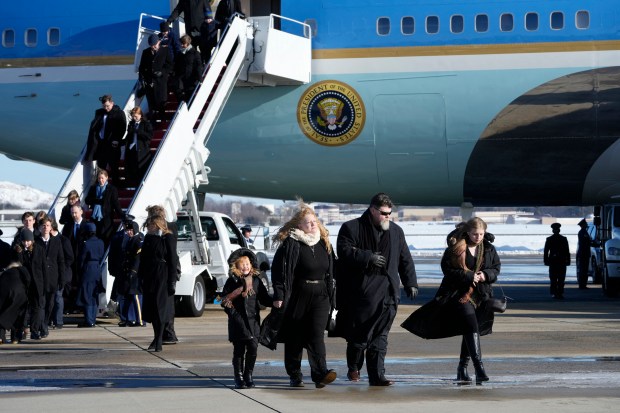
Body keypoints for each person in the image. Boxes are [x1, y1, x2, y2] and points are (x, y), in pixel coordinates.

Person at [336, 193, 418, 386]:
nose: (387, 217)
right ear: (372, 210)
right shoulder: (352, 227)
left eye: (390, 213)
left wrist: (410, 283)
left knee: (380, 337)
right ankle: (354, 366)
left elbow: (405, 258)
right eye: (383, 213)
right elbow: (344, 251)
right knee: (360, 337)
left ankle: (377, 375)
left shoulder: (396, 231)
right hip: (363, 294)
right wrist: (367, 257)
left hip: (389, 292)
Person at [270, 202, 337, 389]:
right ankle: (295, 373)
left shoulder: (324, 242)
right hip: (298, 294)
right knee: (295, 336)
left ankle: (320, 373)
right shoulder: (291, 244)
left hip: (321, 295)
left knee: (316, 334)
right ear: (299, 225)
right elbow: (278, 272)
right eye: (308, 222)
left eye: (314, 221)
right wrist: (279, 294)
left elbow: (333, 269)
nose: (313, 225)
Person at [221, 248, 272, 389]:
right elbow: (225, 301)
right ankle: (239, 377)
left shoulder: (256, 281)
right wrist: (235, 316)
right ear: (236, 266)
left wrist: (277, 301)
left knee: (253, 348)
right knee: (239, 350)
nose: (245, 267)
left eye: (248, 264)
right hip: (238, 322)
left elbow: (265, 298)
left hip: (253, 321)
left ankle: (248, 375)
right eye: (242, 264)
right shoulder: (232, 281)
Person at [138, 216, 177, 352]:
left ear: (158, 225)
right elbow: (142, 260)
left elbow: (172, 260)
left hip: (162, 276)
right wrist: (140, 277)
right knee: (152, 308)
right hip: (150, 276)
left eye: (151, 225)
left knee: (160, 308)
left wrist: (172, 280)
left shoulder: (168, 238)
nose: (148, 227)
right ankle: (156, 337)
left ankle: (159, 339)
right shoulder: (148, 239)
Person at [145, 205, 180, 344]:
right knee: (161, 303)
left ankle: (169, 333)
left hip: (168, 269)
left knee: (167, 303)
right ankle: (164, 333)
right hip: (160, 271)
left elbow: (172, 255)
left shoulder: (169, 230)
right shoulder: (154, 233)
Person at [83, 95, 127, 183]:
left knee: (114, 166)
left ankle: (115, 185)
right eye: (104, 106)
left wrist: (117, 139)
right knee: (101, 167)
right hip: (101, 144)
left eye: (108, 106)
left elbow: (122, 127)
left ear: (112, 103)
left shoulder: (119, 113)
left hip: (112, 144)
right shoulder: (99, 113)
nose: (106, 108)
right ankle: (100, 186)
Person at [13, 228, 46, 340]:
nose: (26, 243)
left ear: (32, 240)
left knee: (36, 308)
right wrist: (20, 253)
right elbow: (19, 265)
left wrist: (44, 285)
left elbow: (43, 268)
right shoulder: (19, 251)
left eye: (28, 241)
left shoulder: (39, 250)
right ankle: (20, 331)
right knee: (23, 309)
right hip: (24, 285)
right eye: (24, 241)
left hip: (37, 284)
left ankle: (35, 330)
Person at [35, 217, 65, 338]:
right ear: (39, 228)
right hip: (40, 278)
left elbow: (61, 260)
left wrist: (62, 278)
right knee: (41, 304)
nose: (46, 228)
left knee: (50, 304)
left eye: (48, 225)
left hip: (53, 278)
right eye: (43, 226)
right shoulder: (36, 242)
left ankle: (46, 323)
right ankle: (42, 326)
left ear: (51, 227)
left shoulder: (56, 241)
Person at [85, 169, 126, 248]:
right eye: (99, 178)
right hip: (95, 218)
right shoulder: (93, 188)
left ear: (107, 178)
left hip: (106, 218)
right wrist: (97, 200)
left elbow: (115, 203)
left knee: (106, 238)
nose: (100, 180)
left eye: (102, 178)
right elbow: (87, 200)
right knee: (95, 237)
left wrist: (122, 215)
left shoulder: (112, 189)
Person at [61, 203, 88, 312]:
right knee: (70, 283)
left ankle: (81, 306)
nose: (74, 215)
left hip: (82, 259)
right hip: (71, 260)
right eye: (72, 213)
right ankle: (71, 306)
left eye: (76, 212)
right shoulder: (68, 226)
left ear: (81, 212)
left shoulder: (87, 225)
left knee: (81, 283)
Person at [138, 34, 173, 121]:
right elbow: (141, 67)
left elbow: (170, 65)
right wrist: (143, 79)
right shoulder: (145, 52)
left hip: (161, 83)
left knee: (161, 104)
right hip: (149, 83)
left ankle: (163, 121)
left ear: (159, 42)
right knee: (151, 106)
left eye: (154, 45)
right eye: (151, 45)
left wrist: (162, 73)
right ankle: (152, 125)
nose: (153, 47)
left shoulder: (165, 51)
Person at [76, 223, 104, 328]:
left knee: (87, 294)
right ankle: (92, 319)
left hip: (88, 268)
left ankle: (89, 320)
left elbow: (82, 259)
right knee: (94, 294)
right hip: (97, 268)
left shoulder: (86, 243)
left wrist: (80, 271)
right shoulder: (100, 242)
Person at [50, 218, 74, 329]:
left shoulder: (63, 240)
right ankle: (50, 319)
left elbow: (70, 257)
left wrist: (61, 268)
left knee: (58, 297)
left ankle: (58, 321)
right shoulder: (47, 240)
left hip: (61, 273)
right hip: (50, 273)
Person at [0, 261, 30, 344]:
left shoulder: (5, 273)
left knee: (2, 314)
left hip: (4, 294)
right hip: (19, 293)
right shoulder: (22, 270)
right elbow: (28, 280)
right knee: (18, 315)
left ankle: (1, 338)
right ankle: (15, 338)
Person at [124, 106, 153, 187]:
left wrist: (138, 131)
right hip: (132, 149)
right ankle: (132, 186)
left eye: (136, 116)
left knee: (141, 170)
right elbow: (129, 136)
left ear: (140, 115)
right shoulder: (131, 124)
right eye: (133, 116)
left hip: (142, 150)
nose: (134, 118)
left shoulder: (146, 124)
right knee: (132, 169)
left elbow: (149, 136)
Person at [173, 34, 204, 103]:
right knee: (179, 96)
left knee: (190, 99)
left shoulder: (195, 53)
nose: (181, 45)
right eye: (181, 43)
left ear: (187, 43)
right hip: (181, 80)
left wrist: (200, 79)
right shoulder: (180, 53)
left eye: (183, 44)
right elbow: (176, 66)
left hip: (190, 80)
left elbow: (199, 66)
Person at [544, 223, 571, 299]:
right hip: (560, 261)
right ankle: (559, 293)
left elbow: (546, 252)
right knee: (560, 279)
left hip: (554, 261)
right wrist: (568, 261)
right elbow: (567, 251)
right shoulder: (563, 239)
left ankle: (555, 293)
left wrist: (546, 261)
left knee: (554, 278)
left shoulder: (549, 239)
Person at [576, 218, 591, 290]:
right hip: (583, 253)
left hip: (584, 253)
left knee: (584, 269)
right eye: (586, 224)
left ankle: (583, 284)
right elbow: (585, 243)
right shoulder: (582, 232)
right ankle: (582, 285)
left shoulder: (584, 232)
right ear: (583, 225)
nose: (587, 224)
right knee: (583, 270)